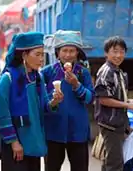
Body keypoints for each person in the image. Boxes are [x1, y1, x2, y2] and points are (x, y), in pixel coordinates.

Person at [0, 32, 63, 171]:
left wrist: (54, 102)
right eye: (37, 54)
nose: (41, 59)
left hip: (33, 142)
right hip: (15, 144)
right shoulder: (8, 79)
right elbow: (2, 115)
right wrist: (14, 142)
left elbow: (44, 106)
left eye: (42, 54)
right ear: (24, 55)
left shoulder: (37, 77)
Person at [40, 30, 95, 171]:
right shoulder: (47, 72)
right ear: (57, 53)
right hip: (54, 130)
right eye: (64, 50)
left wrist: (76, 84)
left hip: (78, 131)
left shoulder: (83, 73)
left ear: (77, 53)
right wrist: (53, 98)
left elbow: (89, 99)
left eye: (72, 51)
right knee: (51, 167)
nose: (68, 55)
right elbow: (40, 100)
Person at [94, 36, 133, 171]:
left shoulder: (117, 71)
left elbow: (114, 95)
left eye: (121, 51)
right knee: (115, 163)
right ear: (106, 53)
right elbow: (103, 99)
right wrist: (127, 105)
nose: (118, 55)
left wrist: (128, 101)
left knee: (110, 160)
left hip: (117, 123)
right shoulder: (107, 71)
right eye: (114, 51)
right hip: (110, 124)